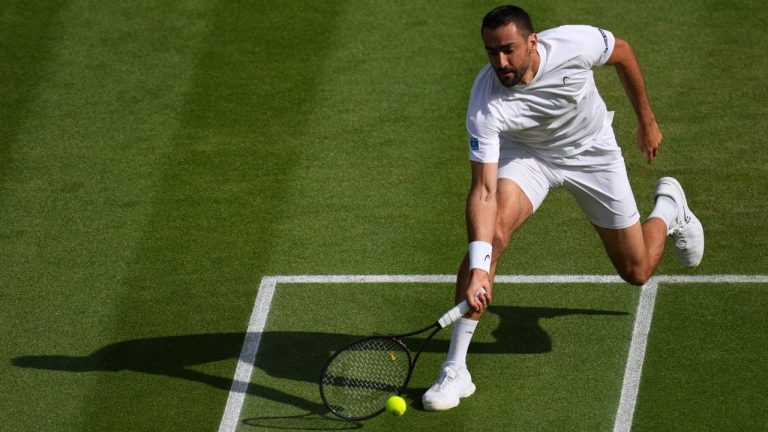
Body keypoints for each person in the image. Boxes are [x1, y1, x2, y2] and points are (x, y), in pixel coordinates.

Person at [422, 5, 705, 411]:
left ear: (532, 43)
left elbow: (622, 52)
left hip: (593, 152)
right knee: (490, 236)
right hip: (530, 157)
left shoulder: (574, 44)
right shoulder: (485, 104)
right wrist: (480, 265)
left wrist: (646, 118)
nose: (500, 62)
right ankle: (455, 368)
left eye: (508, 50)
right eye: (491, 52)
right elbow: (484, 192)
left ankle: (668, 207)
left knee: (637, 271)